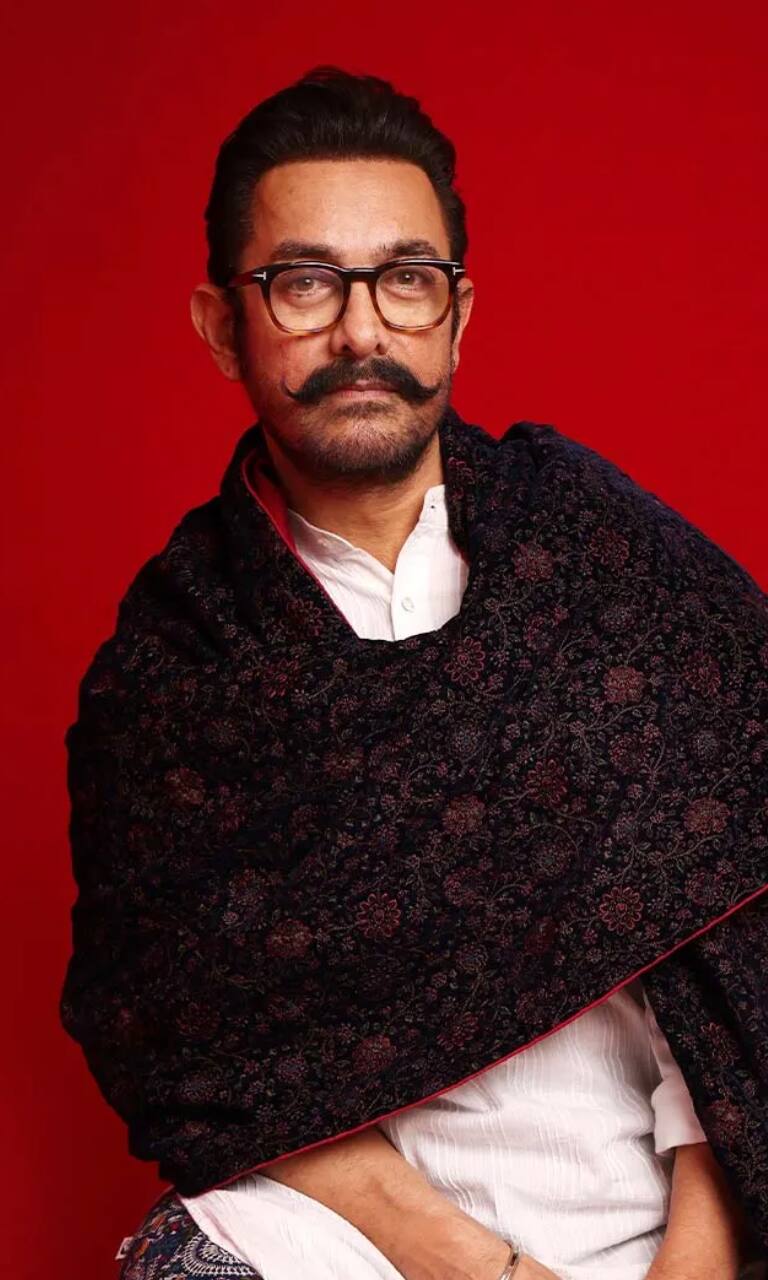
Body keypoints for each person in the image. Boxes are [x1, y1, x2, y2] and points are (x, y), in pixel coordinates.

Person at [61, 68, 768, 1280]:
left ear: (458, 310)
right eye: (304, 282)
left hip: (667, 1226)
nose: (362, 331)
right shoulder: (176, 661)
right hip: (344, 1239)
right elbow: (193, 1052)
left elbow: (748, 928)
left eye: (405, 278)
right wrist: (473, 1265)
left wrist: (694, 1262)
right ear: (222, 324)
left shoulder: (605, 559)